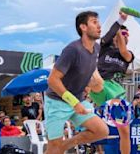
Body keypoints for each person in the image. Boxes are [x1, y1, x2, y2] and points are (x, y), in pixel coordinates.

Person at [45, 11, 109, 154]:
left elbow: (85, 71)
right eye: (94, 22)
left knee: (101, 131)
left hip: (78, 100)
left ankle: (63, 146)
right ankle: (57, 147)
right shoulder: (72, 50)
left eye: (99, 22)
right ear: (83, 27)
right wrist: (74, 102)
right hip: (57, 102)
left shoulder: (97, 48)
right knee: (53, 148)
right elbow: (52, 80)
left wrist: (91, 84)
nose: (99, 26)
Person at [89, 11, 134, 154]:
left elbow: (122, 49)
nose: (122, 37)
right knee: (93, 75)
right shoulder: (105, 47)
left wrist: (120, 30)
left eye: (126, 35)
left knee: (125, 132)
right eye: (121, 34)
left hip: (116, 91)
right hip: (101, 84)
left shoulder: (129, 55)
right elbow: (108, 36)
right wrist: (120, 21)